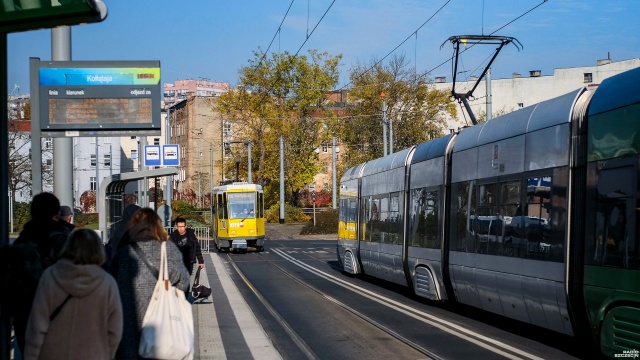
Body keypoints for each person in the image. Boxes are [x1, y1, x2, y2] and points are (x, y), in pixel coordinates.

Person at [24, 229, 123, 360]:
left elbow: (37, 326)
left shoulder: (50, 277)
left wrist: (31, 356)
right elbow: (115, 330)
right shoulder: (107, 283)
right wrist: (105, 354)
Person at [109, 208, 190, 359]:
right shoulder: (168, 250)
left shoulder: (123, 253)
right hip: (163, 334)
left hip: (128, 333)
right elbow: (184, 283)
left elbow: (111, 287)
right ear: (157, 225)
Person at [8, 192, 72, 356]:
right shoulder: (62, 239)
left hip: (25, 313)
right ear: (57, 214)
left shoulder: (22, 241)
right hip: (58, 314)